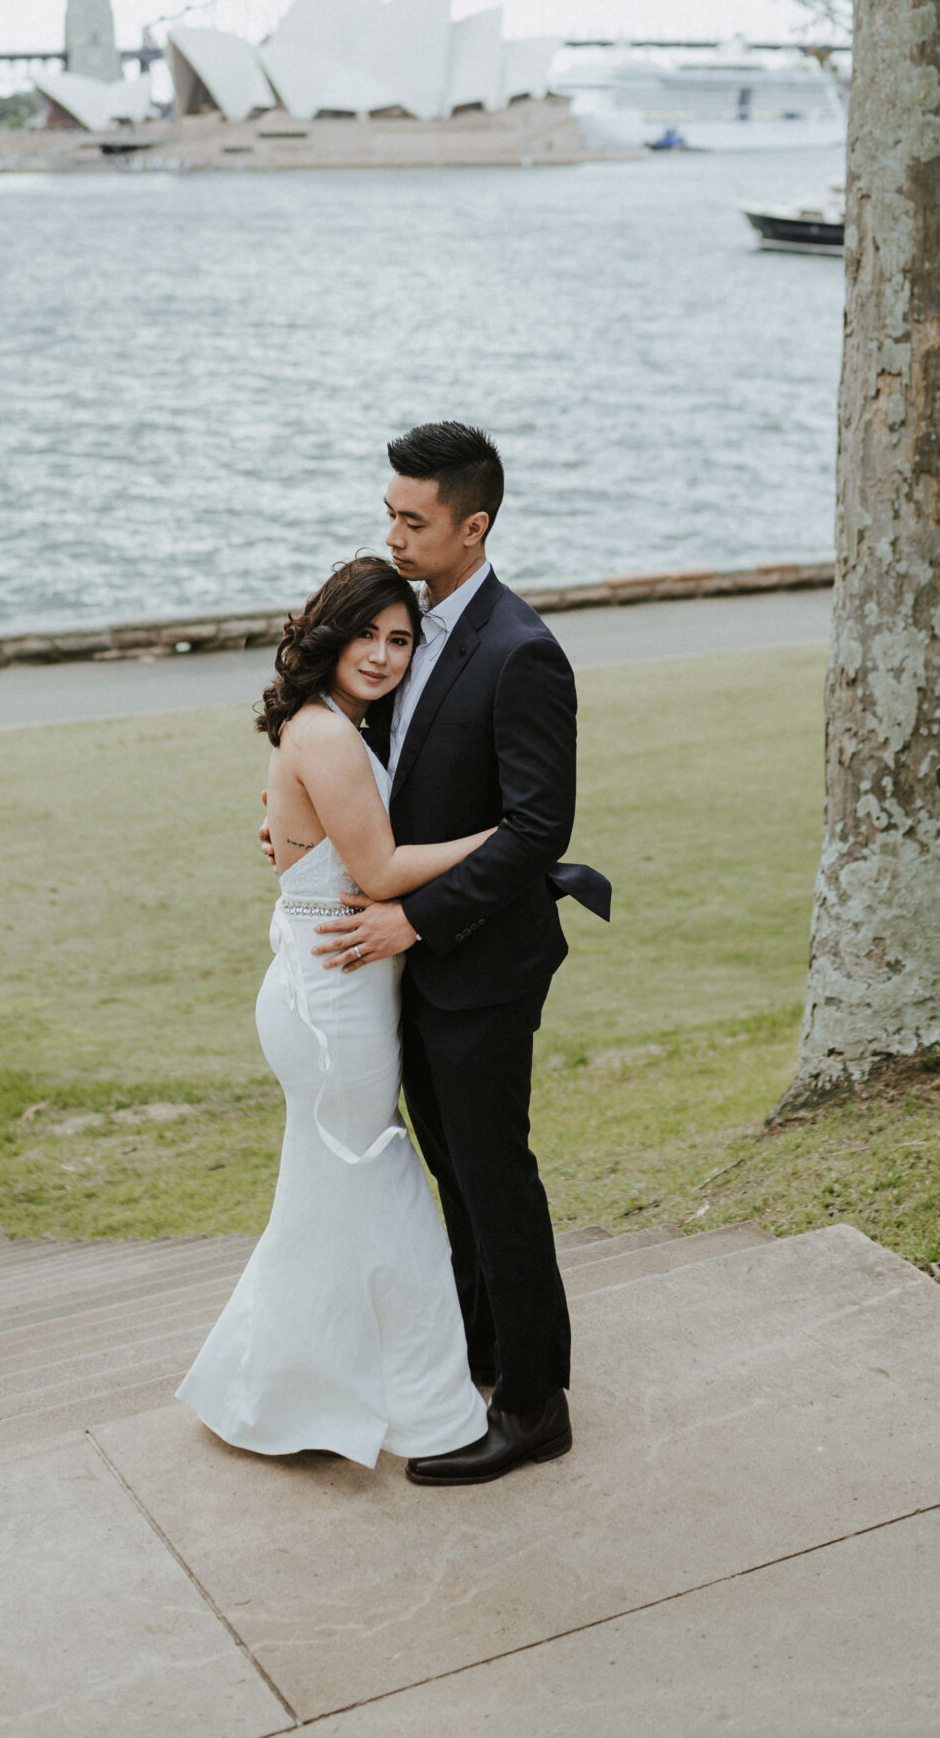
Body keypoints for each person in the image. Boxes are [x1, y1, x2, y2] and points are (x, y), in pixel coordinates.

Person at [311, 421, 611, 1487]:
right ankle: (483, 1356)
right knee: (452, 1167)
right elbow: (375, 770)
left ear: (471, 525)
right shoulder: (405, 625)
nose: (390, 532)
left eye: (412, 518)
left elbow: (538, 830)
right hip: (421, 963)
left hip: (482, 960)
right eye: (388, 511)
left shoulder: (521, 651)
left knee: (494, 1174)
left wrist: (416, 921)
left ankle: (534, 1404)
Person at [176, 555, 492, 1467]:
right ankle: (424, 1405)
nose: (385, 656)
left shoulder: (344, 727)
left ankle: (281, 1385)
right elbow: (385, 872)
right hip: (332, 993)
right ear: (329, 633)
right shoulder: (323, 734)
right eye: (367, 634)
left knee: (327, 1189)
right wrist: (512, 834)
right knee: (379, 1177)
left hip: (339, 976)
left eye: (400, 640)